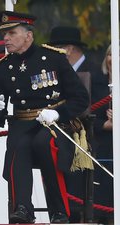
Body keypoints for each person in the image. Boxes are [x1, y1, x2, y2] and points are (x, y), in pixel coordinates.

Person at [0, 11, 89, 223]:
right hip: (23, 124)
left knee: (44, 142)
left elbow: (80, 98)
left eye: (11, 33)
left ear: (28, 36)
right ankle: (22, 208)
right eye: (4, 34)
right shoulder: (4, 67)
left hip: (55, 124)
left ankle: (59, 210)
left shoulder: (53, 58)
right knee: (20, 145)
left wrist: (58, 113)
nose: (6, 38)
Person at [48, 26, 103, 222]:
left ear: (68, 49)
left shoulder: (94, 73)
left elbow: (97, 109)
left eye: (57, 50)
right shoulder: (59, 73)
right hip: (61, 135)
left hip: (87, 140)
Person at [92, 44, 113, 224]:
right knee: (102, 195)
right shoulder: (96, 82)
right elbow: (85, 116)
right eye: (110, 54)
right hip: (102, 145)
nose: (113, 59)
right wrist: (105, 124)